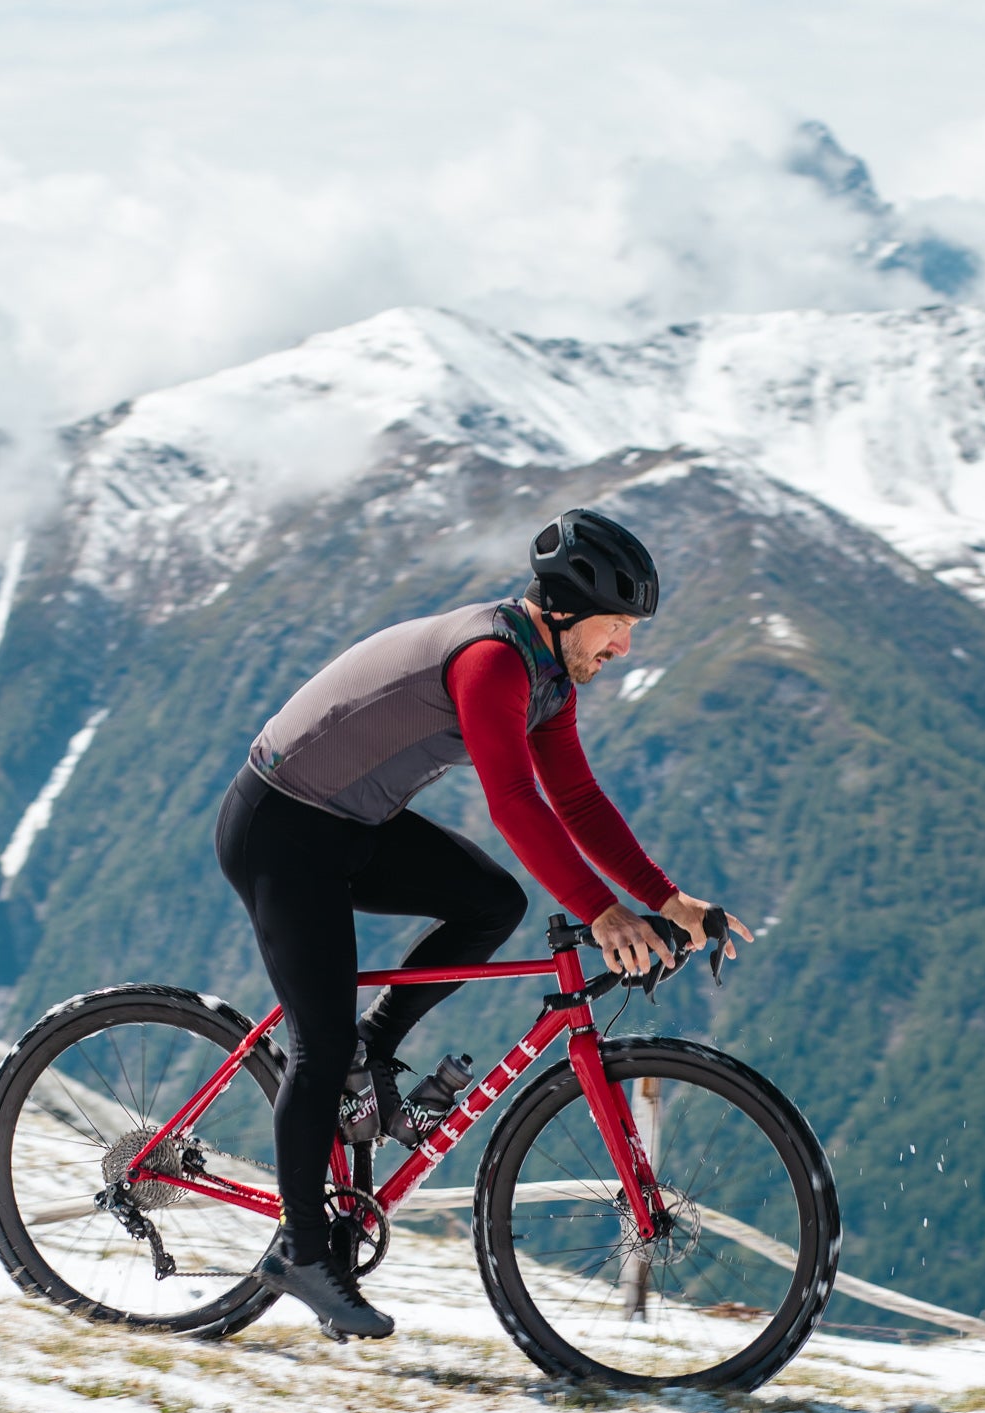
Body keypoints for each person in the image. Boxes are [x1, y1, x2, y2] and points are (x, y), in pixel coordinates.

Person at [213, 508, 752, 1339]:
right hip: (280, 830)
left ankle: (373, 1047)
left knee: (492, 903)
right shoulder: (493, 661)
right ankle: (301, 1251)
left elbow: (577, 800)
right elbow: (514, 802)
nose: (624, 646)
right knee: (318, 1046)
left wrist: (667, 897)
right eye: (617, 625)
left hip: (352, 824)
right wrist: (603, 911)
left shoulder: (548, 676)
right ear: (567, 610)